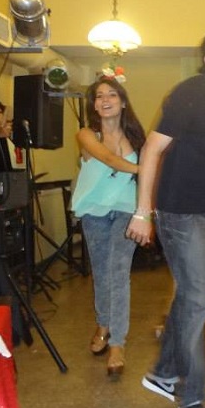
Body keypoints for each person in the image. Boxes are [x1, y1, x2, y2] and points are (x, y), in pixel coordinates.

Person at [127, 28, 205, 408]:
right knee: (198, 301)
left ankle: (162, 372)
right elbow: (152, 149)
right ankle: (190, 395)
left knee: (192, 299)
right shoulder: (190, 93)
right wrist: (143, 212)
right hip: (181, 213)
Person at [71, 77, 145, 379]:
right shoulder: (87, 134)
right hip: (94, 212)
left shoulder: (138, 139)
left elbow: (144, 182)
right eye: (99, 96)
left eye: (111, 94)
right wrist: (145, 167)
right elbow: (109, 159)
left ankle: (117, 343)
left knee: (118, 272)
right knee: (101, 273)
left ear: (123, 101)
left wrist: (146, 213)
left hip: (126, 210)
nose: (104, 100)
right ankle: (103, 323)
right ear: (94, 105)